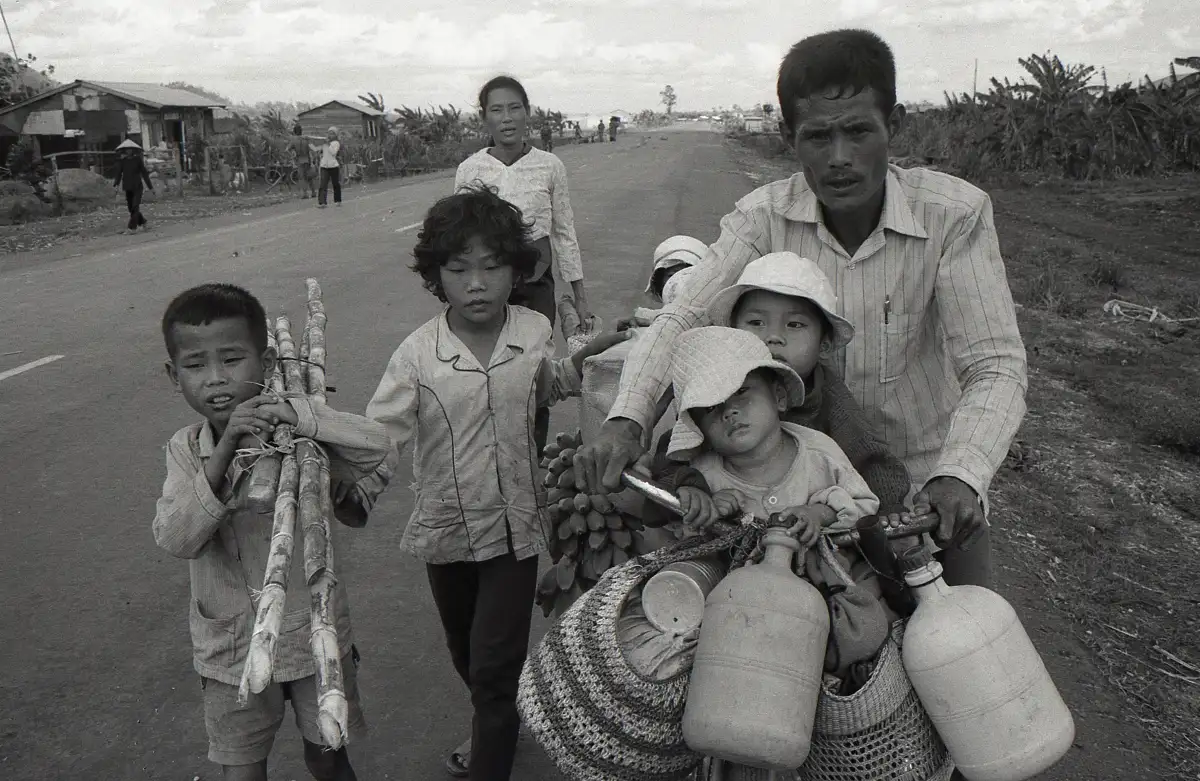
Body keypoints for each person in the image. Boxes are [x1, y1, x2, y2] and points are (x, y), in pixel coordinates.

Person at [574, 28, 1028, 592]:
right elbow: (684, 316)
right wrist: (627, 422)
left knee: (971, 631)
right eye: (817, 136)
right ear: (789, 137)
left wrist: (960, 475)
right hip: (783, 494)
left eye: (858, 131)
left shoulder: (954, 214)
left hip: (920, 494)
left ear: (895, 124)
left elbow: (994, 364)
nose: (839, 158)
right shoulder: (762, 217)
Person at [364, 185, 626, 781]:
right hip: (447, 530)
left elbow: (544, 385)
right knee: (466, 653)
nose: (476, 284)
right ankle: (495, 718)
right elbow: (383, 434)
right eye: (459, 270)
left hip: (514, 530)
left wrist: (589, 358)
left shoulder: (532, 329)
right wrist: (357, 481)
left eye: (492, 267)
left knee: (493, 665)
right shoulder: (417, 355)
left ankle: (493, 740)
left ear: (516, 270)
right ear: (437, 276)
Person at [153, 283, 398, 781]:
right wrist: (226, 450)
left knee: (328, 756)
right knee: (241, 767)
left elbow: (377, 445)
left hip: (314, 633)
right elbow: (176, 538)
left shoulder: (300, 425)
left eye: (232, 360)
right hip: (230, 650)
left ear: (266, 363)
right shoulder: (186, 450)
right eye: (196, 365)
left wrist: (301, 417)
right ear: (174, 375)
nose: (216, 378)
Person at [454, 74, 593, 459]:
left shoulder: (550, 166)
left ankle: (530, 462)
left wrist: (580, 296)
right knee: (485, 370)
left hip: (536, 283)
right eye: (497, 110)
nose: (507, 117)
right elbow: (457, 238)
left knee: (535, 370)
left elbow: (564, 231)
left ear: (527, 112)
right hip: (486, 285)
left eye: (514, 108)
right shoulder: (470, 170)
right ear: (484, 118)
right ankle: (486, 459)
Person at [660, 325, 879, 535]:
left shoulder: (820, 454)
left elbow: (866, 507)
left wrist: (819, 514)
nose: (728, 411)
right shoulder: (702, 475)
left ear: (779, 397)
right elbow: (680, 531)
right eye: (709, 407)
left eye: (741, 391)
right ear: (698, 428)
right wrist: (712, 516)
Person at [112, 138, 154, 234]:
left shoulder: (137, 160)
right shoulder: (122, 161)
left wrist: (151, 187)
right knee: (131, 208)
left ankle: (132, 228)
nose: (129, 151)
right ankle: (143, 222)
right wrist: (116, 185)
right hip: (128, 187)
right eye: (127, 149)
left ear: (133, 150)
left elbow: (144, 174)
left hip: (137, 186)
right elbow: (119, 174)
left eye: (130, 149)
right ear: (124, 150)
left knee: (135, 206)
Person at [318, 127, 342, 208]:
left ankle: (337, 201)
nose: (330, 135)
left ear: (335, 135)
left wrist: (328, 144)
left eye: (332, 134)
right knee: (323, 185)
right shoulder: (325, 143)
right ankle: (322, 202)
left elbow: (333, 152)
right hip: (324, 166)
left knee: (335, 184)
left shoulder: (336, 143)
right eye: (329, 133)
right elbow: (318, 151)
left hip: (333, 166)